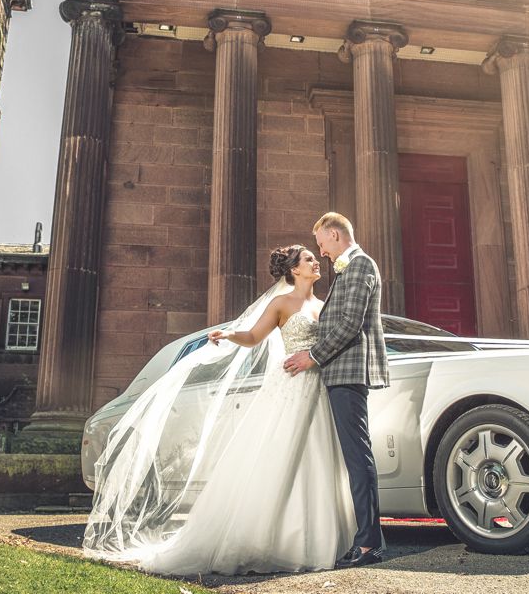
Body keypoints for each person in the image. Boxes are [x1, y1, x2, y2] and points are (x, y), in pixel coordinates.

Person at [82, 245, 355, 575]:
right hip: (291, 388)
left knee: (318, 458)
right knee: (284, 457)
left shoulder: (323, 305)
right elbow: (255, 336)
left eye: (315, 257)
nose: (316, 262)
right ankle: (273, 540)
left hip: (319, 388)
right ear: (295, 270)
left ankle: (316, 538)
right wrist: (228, 334)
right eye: (309, 259)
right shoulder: (281, 303)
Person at [284, 212, 390, 567]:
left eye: (321, 244)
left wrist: (312, 356)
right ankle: (367, 539)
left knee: (358, 458)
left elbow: (349, 324)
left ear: (334, 234)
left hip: (347, 373)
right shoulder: (350, 268)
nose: (322, 252)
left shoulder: (360, 265)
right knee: (355, 457)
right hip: (340, 373)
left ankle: (369, 544)